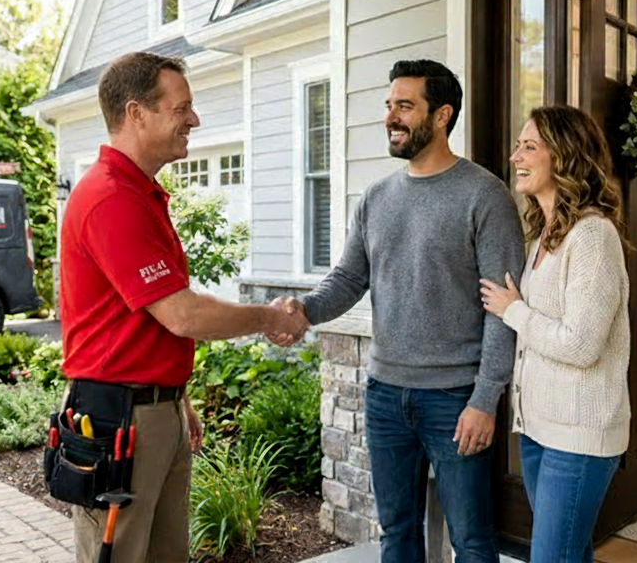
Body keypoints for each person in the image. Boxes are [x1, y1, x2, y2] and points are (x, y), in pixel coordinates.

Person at [58, 51, 309, 563]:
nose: (194, 120)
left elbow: (144, 318)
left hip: (152, 411)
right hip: (118, 420)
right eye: (182, 108)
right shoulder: (110, 199)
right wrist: (266, 317)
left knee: (165, 555)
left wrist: (175, 397)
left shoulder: (140, 193)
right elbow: (182, 314)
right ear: (136, 113)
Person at [280, 59, 524, 563]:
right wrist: (302, 311)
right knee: (396, 533)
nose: (391, 116)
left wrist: (484, 399)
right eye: (389, 105)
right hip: (386, 393)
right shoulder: (376, 197)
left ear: (441, 116)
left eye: (405, 106)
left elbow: (504, 309)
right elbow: (349, 278)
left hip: (455, 398)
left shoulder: (485, 195)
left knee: (473, 540)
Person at [479, 105, 632, 563]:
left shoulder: (592, 236)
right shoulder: (543, 236)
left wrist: (515, 312)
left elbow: (582, 345)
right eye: (518, 145)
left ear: (564, 156)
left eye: (530, 146)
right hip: (539, 430)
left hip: (579, 437)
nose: (515, 156)